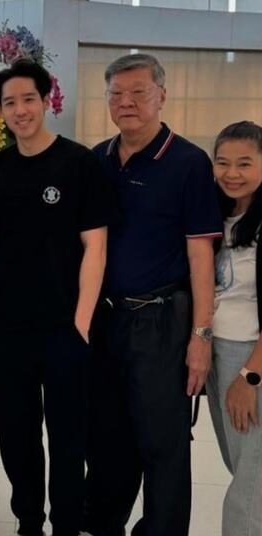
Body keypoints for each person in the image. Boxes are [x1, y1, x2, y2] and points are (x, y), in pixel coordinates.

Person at [0, 59, 111, 536]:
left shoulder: (79, 164)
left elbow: (96, 247)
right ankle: (29, 522)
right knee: (16, 435)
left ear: (46, 101)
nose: (20, 110)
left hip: (66, 328)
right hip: (9, 329)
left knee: (68, 437)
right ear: (0, 111)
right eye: (10, 102)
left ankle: (66, 524)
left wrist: (82, 323)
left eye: (29, 99)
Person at [83, 53, 223, 536]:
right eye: (116, 94)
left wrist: (201, 336)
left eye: (138, 92)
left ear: (162, 95)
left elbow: (201, 256)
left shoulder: (188, 162)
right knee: (106, 436)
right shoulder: (97, 159)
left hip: (162, 322)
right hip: (105, 321)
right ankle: (103, 525)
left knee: (163, 443)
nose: (127, 102)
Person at [208, 121, 262, 536]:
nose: (232, 173)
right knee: (240, 464)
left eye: (244, 163)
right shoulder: (219, 215)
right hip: (216, 354)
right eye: (223, 162)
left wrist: (249, 377)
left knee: (251, 485)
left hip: (249, 358)